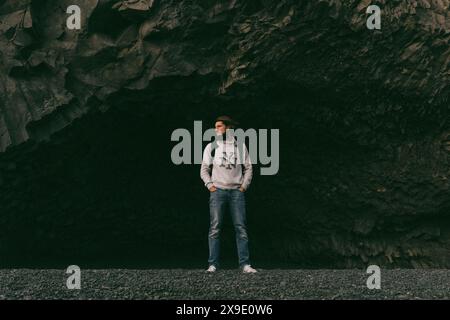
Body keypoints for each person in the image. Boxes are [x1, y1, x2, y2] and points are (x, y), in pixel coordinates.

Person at [200, 115, 257, 273]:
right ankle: (213, 264)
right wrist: (210, 185)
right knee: (215, 228)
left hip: (236, 192)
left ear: (229, 128)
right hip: (217, 191)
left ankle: (245, 264)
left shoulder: (240, 146)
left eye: (219, 126)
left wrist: (244, 186)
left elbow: (249, 167)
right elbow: (204, 169)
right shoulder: (211, 147)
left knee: (240, 228)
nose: (216, 129)